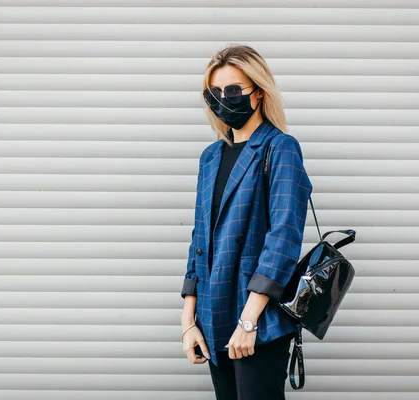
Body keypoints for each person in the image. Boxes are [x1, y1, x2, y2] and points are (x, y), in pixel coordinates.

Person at [179, 44, 313, 400]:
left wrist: (249, 320)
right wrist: (188, 321)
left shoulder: (279, 148)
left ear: (259, 91)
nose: (225, 100)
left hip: (258, 320)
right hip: (212, 314)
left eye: (234, 91)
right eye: (215, 93)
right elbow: (199, 240)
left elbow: (283, 238)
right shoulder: (211, 157)